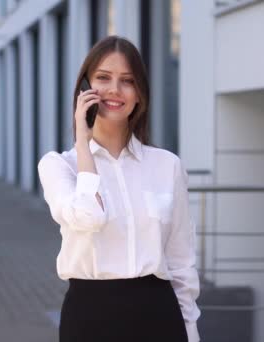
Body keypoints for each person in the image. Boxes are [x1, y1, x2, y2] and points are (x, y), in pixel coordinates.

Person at [37, 35, 201, 342]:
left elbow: (181, 262)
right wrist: (83, 144)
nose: (114, 89)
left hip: (159, 317)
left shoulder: (167, 166)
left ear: (139, 93)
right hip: (90, 320)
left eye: (127, 80)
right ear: (85, 89)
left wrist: (190, 333)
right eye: (103, 78)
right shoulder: (58, 166)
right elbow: (89, 217)